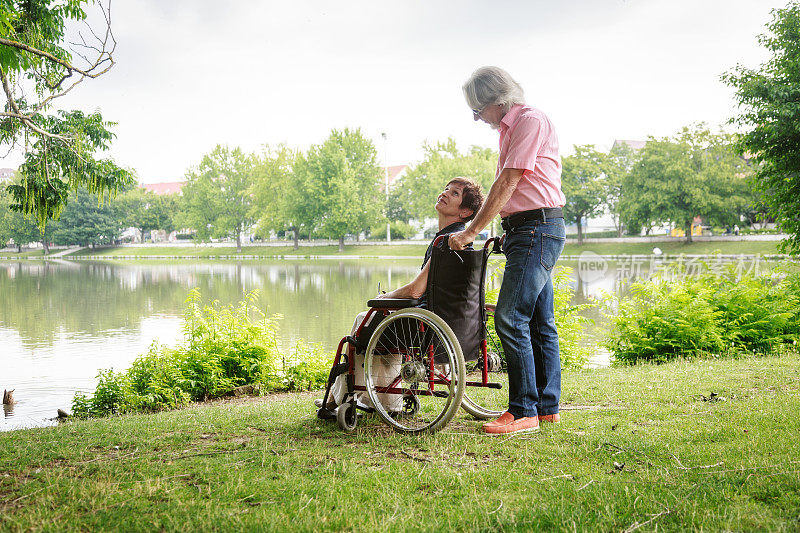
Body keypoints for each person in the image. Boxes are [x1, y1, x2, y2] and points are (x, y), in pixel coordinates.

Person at [449, 66, 566, 435]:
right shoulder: (511, 129)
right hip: (527, 230)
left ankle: (522, 410)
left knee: (509, 316)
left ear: (494, 101)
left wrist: (472, 231)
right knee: (538, 322)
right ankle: (546, 408)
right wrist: (506, 232)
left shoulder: (530, 120)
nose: (477, 117)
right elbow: (515, 189)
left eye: (477, 110)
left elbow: (509, 180)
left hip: (538, 228)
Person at [316, 177, 485, 412]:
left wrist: (386, 297)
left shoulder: (446, 242)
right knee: (385, 324)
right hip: (456, 324)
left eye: (454, 193)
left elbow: (416, 290)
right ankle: (386, 402)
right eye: (446, 188)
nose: (445, 193)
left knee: (364, 320)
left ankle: (340, 398)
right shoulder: (465, 242)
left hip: (426, 326)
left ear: (465, 211)